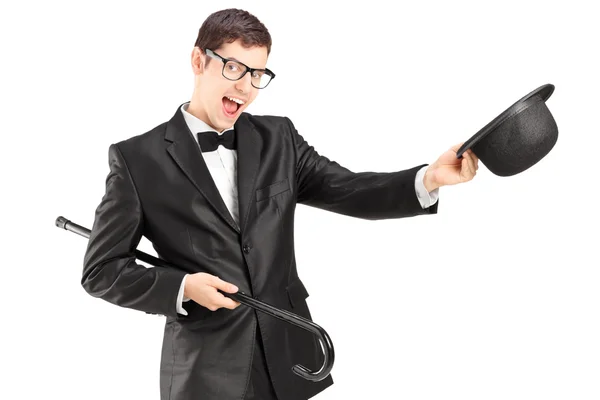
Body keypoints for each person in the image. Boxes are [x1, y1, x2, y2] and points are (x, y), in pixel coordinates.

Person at [81, 8, 479, 400]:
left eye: (257, 74)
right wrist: (183, 287)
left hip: (287, 356)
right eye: (234, 68)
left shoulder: (279, 138)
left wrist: (428, 178)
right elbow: (101, 270)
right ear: (198, 60)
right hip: (205, 370)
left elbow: (349, 189)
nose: (245, 88)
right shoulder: (137, 159)